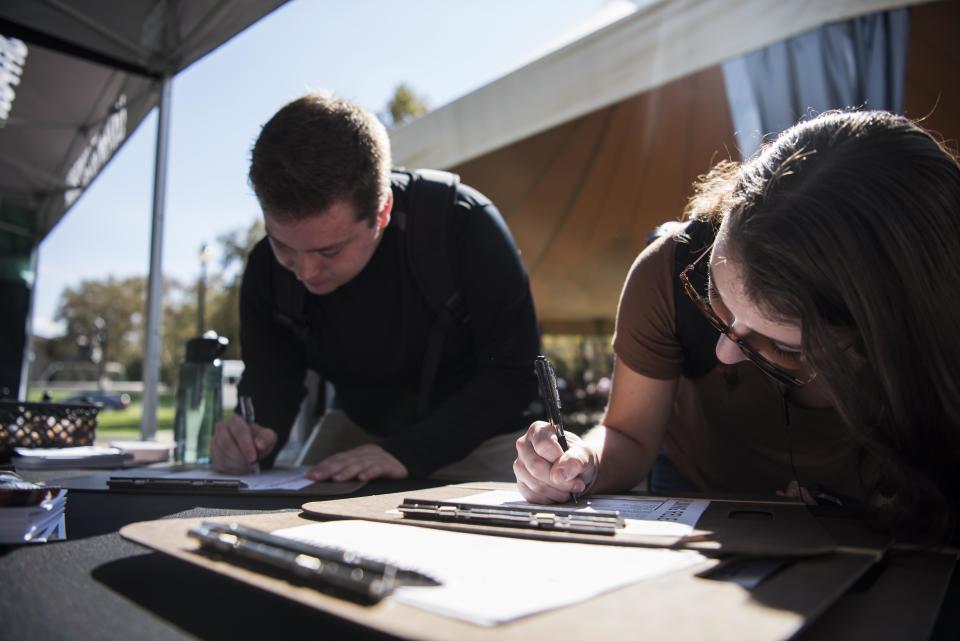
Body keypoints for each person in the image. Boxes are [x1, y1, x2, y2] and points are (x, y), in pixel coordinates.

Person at [514, 110, 960, 543]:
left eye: (782, 347)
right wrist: (582, 460)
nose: (724, 353)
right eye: (716, 301)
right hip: (696, 498)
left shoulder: (934, 346)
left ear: (885, 338)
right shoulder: (669, 272)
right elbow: (628, 433)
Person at [212, 91, 540, 482]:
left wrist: (407, 452)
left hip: (482, 434)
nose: (305, 270)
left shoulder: (463, 225)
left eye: (329, 250)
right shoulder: (267, 268)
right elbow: (272, 378)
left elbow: (514, 373)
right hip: (361, 430)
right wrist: (249, 440)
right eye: (282, 244)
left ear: (382, 211)